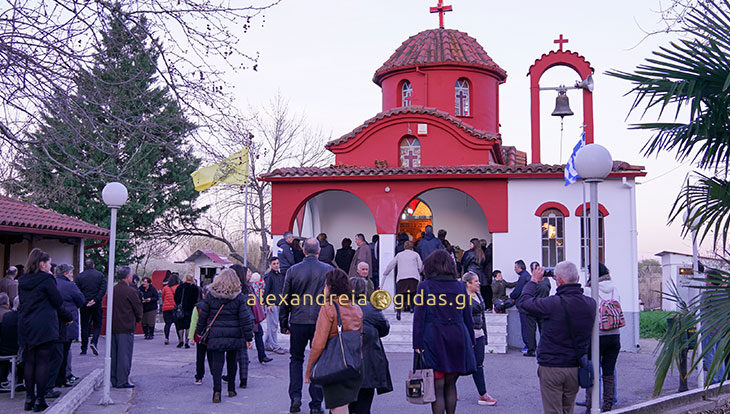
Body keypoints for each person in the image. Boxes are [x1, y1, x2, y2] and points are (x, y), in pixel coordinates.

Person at [518, 262, 596, 414]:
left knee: (553, 411)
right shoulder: (590, 304)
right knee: (568, 410)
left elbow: (524, 302)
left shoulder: (552, 304)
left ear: (558, 281)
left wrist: (533, 280)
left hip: (552, 366)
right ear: (578, 278)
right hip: (575, 366)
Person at [412, 249, 476, 414]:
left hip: (434, 337)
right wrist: (471, 340)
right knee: (451, 384)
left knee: (437, 387)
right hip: (457, 336)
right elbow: (467, 315)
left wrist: (417, 342)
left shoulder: (425, 286)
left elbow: (419, 316)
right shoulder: (460, 286)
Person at [280, 238, 332, 414]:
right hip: (320, 321)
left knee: (296, 359)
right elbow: (333, 298)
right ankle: (316, 404)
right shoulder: (328, 270)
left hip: (298, 320)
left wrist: (283, 322)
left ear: (303, 251)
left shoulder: (293, 270)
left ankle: (295, 397)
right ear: (318, 251)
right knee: (318, 360)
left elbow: (285, 297)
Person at [305, 269, 363, 414]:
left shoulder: (329, 308)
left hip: (335, 367)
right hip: (354, 364)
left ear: (330, 287)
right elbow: (360, 337)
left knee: (338, 408)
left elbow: (318, 344)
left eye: (325, 285)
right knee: (345, 406)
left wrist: (309, 370)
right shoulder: (356, 308)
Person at [195, 268, 253, 403]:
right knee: (232, 361)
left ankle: (217, 391)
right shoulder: (239, 297)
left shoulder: (210, 296)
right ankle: (231, 389)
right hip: (234, 334)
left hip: (216, 333)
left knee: (217, 362)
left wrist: (199, 331)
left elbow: (203, 316)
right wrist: (248, 337)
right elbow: (245, 318)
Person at [18, 248, 66, 412]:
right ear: (42, 263)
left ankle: (29, 399)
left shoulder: (23, 280)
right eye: (49, 263)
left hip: (26, 324)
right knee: (43, 362)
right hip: (44, 325)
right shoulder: (47, 279)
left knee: (30, 362)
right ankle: (40, 400)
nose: (51, 266)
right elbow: (57, 300)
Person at [348, 277, 392, 414]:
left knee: (345, 404)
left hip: (346, 361)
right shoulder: (371, 308)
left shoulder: (341, 307)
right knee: (364, 405)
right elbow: (384, 328)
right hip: (369, 362)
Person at [583, 263, 621, 412]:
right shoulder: (614, 288)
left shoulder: (589, 290)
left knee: (592, 372)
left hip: (597, 336)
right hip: (614, 336)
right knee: (609, 372)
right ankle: (608, 405)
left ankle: (591, 405)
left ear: (593, 274)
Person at [462, 272, 498, 406]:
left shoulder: (477, 294)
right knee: (463, 364)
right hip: (468, 335)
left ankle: (482, 394)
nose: (479, 283)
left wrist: (485, 335)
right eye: (476, 281)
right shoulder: (462, 298)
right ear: (468, 283)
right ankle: (448, 388)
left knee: (478, 364)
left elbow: (482, 316)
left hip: (479, 333)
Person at [48, 264, 83, 395]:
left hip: (52, 323)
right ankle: (62, 378)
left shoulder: (52, 283)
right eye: (70, 273)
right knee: (64, 352)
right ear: (66, 274)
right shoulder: (70, 286)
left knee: (54, 354)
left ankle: (55, 379)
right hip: (68, 322)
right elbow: (80, 300)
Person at [111, 266, 143, 389]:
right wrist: (138, 319)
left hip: (113, 326)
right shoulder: (131, 291)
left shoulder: (113, 290)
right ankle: (122, 380)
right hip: (126, 326)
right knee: (124, 355)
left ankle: (114, 378)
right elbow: (138, 308)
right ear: (128, 277)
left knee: (114, 354)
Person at [382, 240, 423, 320]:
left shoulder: (399, 255)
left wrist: (385, 273)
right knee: (413, 294)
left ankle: (398, 311)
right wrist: (419, 271)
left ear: (404, 246)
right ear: (412, 247)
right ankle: (412, 308)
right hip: (413, 278)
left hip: (402, 278)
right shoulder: (415, 254)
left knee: (400, 295)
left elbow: (391, 264)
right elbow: (420, 266)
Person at [75, 258, 105, 356]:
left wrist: (85, 300)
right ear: (93, 265)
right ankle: (94, 341)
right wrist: (95, 299)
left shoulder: (80, 276)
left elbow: (77, 290)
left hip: (84, 304)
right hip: (96, 304)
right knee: (97, 323)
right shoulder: (100, 275)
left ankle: (84, 348)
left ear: (84, 266)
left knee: (84, 325)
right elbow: (103, 289)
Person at [510, 260, 537, 356]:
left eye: (515, 267)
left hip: (524, 306)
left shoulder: (523, 277)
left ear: (520, 267)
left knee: (525, 327)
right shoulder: (526, 276)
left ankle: (528, 346)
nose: (514, 269)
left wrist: (512, 296)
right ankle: (530, 346)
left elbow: (518, 290)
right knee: (529, 327)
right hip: (529, 305)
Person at [461, 238, 492, 310]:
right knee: (479, 291)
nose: (469, 245)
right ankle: (482, 305)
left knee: (470, 291)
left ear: (473, 244)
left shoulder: (470, 253)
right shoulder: (481, 253)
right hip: (480, 273)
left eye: (471, 244)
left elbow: (465, 263)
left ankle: (470, 306)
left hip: (471, 272)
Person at [263, 257, 286, 354]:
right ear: (270, 265)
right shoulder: (269, 276)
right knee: (273, 326)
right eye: (274, 264)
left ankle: (268, 344)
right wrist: (268, 304)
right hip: (272, 304)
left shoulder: (280, 275)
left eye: (277, 263)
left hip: (278, 302)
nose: (276, 265)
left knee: (272, 325)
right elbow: (266, 291)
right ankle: (275, 346)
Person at [174, 274, 200, 348]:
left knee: (180, 326)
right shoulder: (194, 288)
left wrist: (179, 304)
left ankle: (180, 341)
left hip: (181, 309)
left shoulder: (180, 287)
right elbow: (196, 298)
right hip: (190, 309)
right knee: (188, 325)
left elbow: (175, 297)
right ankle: (186, 342)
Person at [0, 295, 20, 388]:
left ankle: (2, 381)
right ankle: (20, 382)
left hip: (3, 349)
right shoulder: (21, 317)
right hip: (15, 350)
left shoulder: (7, 316)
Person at [160, 273, 180, 345]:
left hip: (166, 308)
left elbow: (163, 297)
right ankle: (179, 338)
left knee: (167, 324)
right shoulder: (178, 287)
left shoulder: (165, 288)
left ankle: (166, 338)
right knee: (178, 324)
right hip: (175, 308)